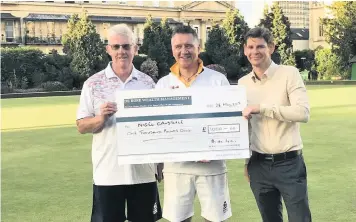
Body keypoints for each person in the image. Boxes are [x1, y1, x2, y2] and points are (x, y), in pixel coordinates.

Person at [76, 24, 162, 222]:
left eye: (126, 46)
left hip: (143, 172)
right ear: (108, 50)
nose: (121, 51)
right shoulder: (93, 83)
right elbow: (81, 125)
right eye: (116, 47)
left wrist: (160, 163)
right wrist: (100, 118)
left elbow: (157, 126)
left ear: (135, 48)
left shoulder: (148, 83)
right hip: (108, 172)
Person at [155, 25, 232, 222]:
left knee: (215, 219)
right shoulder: (163, 84)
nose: (184, 51)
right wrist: (157, 160)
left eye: (188, 45)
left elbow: (228, 122)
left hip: (211, 166)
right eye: (178, 46)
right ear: (172, 49)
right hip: (176, 167)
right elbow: (157, 126)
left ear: (198, 47)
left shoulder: (218, 81)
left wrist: (215, 150)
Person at [239, 27, 312, 222]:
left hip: (289, 163)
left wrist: (262, 108)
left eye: (261, 46)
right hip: (258, 165)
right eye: (251, 47)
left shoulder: (289, 73)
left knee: (300, 219)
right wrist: (247, 162)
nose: (255, 51)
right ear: (245, 50)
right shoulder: (242, 84)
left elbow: (302, 112)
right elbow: (246, 128)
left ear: (271, 47)